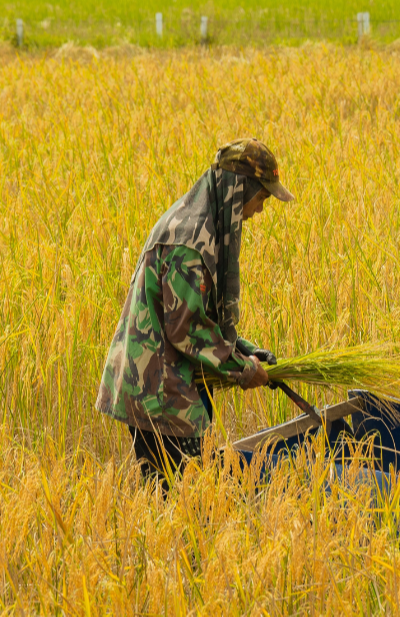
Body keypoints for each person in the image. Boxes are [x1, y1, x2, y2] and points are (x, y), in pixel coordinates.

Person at [95, 138, 296, 488]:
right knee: (182, 500)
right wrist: (244, 369)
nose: (260, 210)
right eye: (262, 197)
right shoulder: (188, 241)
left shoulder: (203, 224)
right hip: (157, 391)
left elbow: (197, 314)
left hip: (166, 385)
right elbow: (187, 329)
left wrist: (244, 349)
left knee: (176, 498)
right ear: (239, 190)